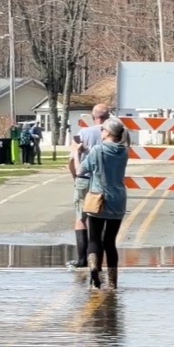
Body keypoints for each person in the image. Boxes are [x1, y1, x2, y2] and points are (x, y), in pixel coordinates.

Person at [78, 117, 129, 289]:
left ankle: (94, 271)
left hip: (98, 198)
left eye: (102, 130)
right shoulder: (124, 151)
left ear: (107, 132)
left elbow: (83, 169)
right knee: (110, 241)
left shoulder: (98, 150)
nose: (101, 132)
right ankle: (113, 282)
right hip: (118, 199)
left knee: (94, 239)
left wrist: (76, 154)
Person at [67, 104, 111, 268]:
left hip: (85, 178)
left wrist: (75, 176)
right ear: (108, 117)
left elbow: (73, 158)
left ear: (93, 117)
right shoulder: (113, 134)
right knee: (100, 220)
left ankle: (82, 258)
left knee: (81, 218)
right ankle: (97, 258)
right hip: (105, 180)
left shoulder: (83, 133)